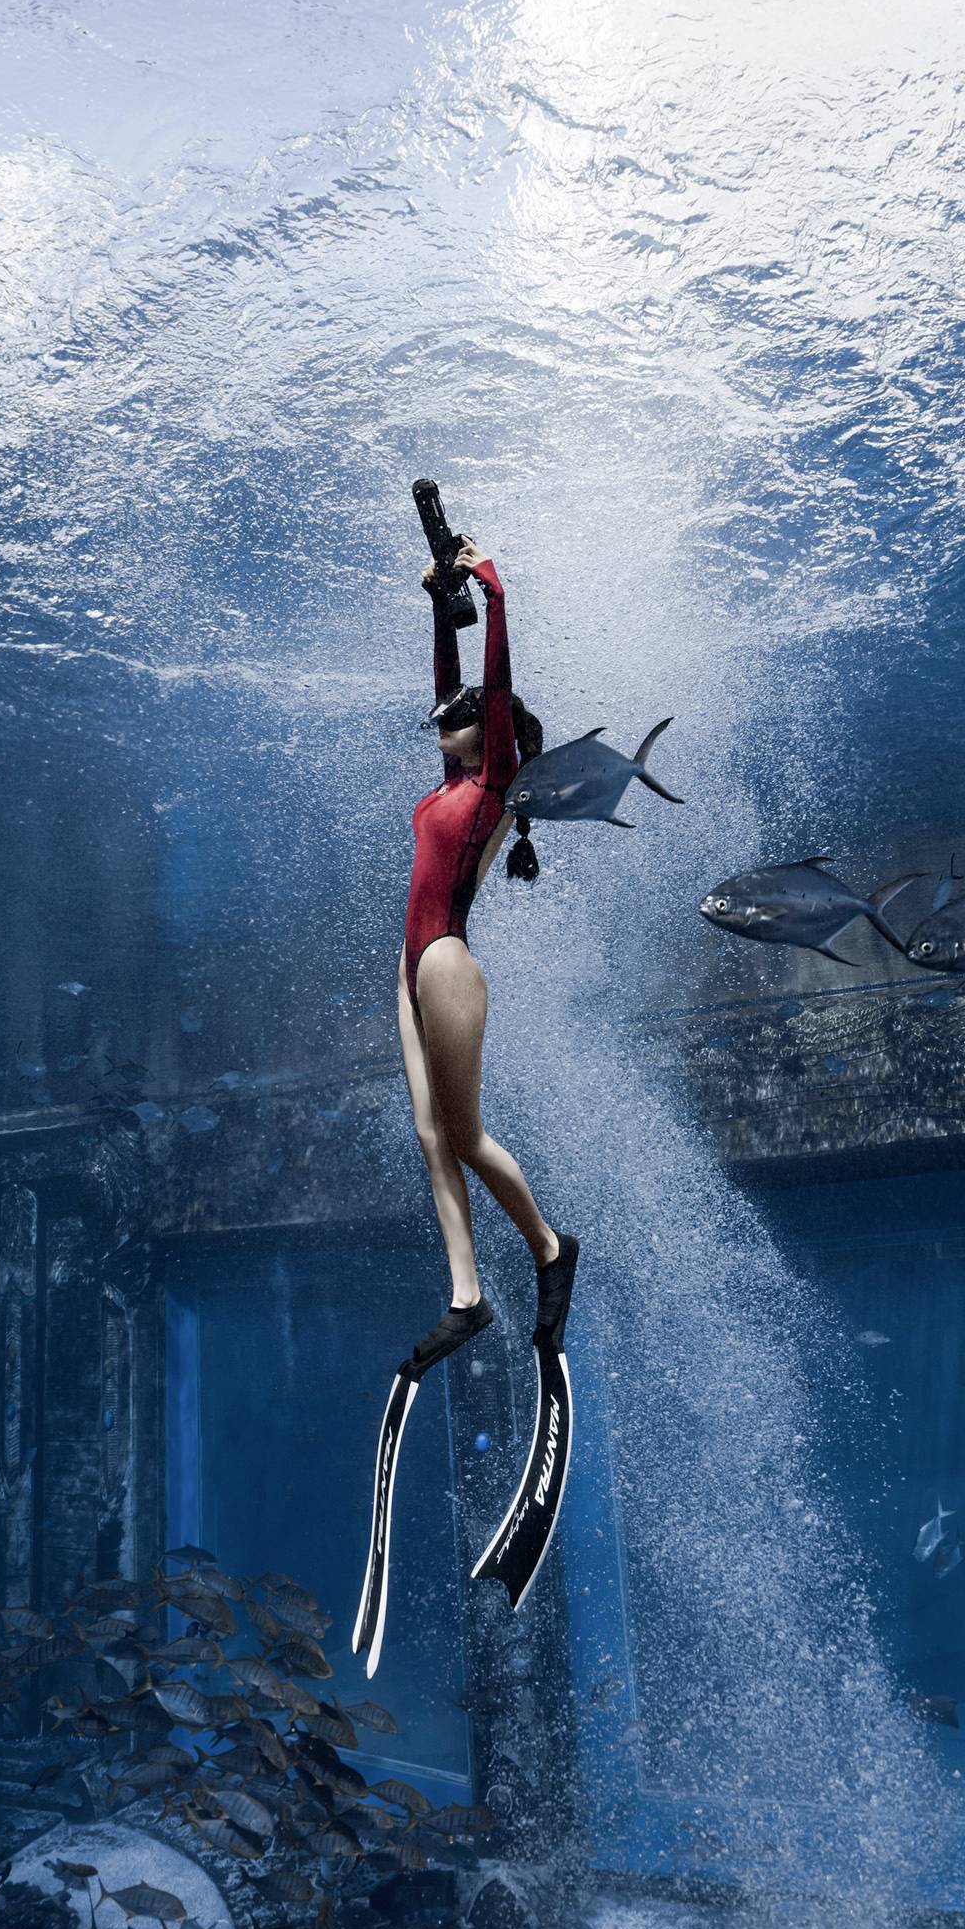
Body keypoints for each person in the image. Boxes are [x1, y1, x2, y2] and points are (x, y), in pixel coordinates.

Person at [397, 535, 578, 1375]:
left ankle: (547, 1248)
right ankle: (467, 1298)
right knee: (431, 1134)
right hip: (407, 970)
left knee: (466, 1136)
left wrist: (495, 592)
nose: (452, 715)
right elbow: (451, 691)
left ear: (495, 738)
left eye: (469, 715)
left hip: (445, 962)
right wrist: (442, 601)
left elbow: (489, 688)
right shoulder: (447, 777)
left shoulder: (492, 782)